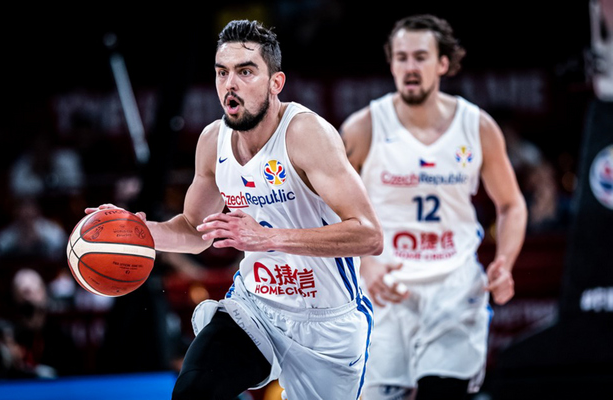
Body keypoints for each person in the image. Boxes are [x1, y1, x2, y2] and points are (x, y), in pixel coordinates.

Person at [86, 19, 383, 400]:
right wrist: (138, 232)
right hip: (256, 307)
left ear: (275, 83)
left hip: (327, 323)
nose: (230, 84)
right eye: (222, 72)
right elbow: (195, 231)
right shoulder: (213, 141)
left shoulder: (306, 135)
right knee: (194, 392)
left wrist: (269, 237)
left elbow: (369, 235)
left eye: (245, 72)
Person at [339, 14, 527, 400]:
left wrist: (505, 262)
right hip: (385, 287)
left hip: (453, 286)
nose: (410, 67)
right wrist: (365, 263)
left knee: (442, 393)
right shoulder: (363, 128)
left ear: (443, 63)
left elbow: (511, 204)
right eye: (402, 57)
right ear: (391, 64)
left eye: (420, 57)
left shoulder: (477, 127)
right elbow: (326, 208)